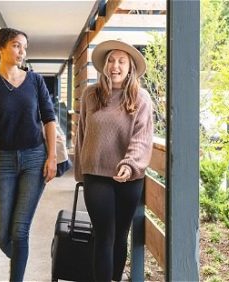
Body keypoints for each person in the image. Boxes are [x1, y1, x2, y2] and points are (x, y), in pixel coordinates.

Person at [0, 27, 57, 281]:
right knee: (2, 234)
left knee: (20, 231)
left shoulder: (35, 81)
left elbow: (49, 118)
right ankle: (21, 258)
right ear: (0, 48)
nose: (22, 51)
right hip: (5, 161)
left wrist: (52, 156)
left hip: (35, 158)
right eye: (16, 45)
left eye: (24, 47)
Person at [74, 40, 153, 282]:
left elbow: (142, 137)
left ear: (130, 67)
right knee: (104, 236)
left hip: (129, 178)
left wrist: (129, 164)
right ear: (104, 65)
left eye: (121, 61)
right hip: (96, 175)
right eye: (111, 60)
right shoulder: (90, 95)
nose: (115, 66)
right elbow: (82, 134)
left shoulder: (141, 98)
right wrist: (81, 171)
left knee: (120, 237)